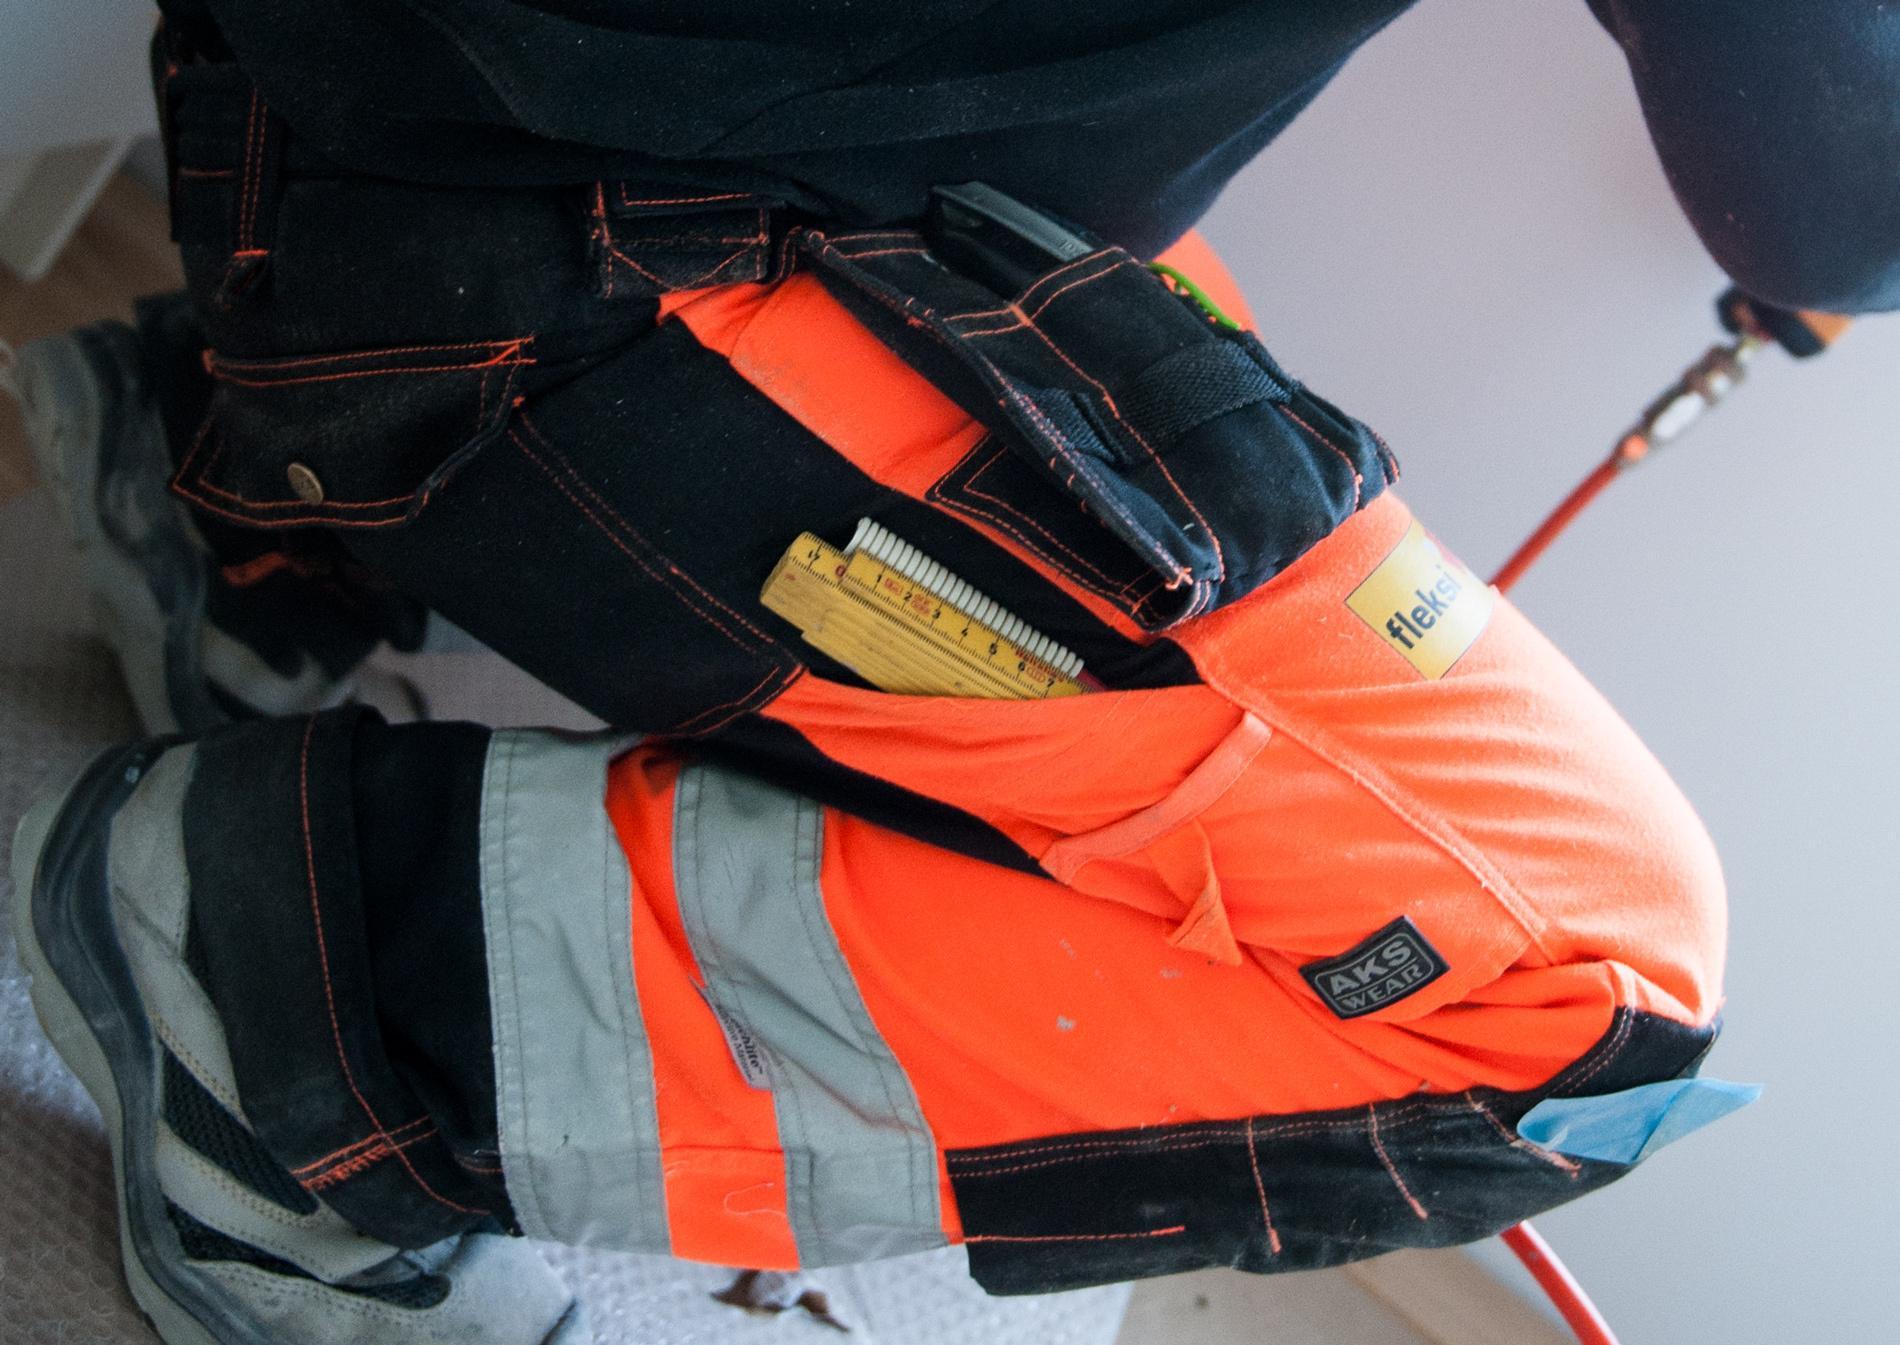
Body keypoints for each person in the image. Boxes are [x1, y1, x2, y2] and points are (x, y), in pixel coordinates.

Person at [5, 3, 1894, 1342]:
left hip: (321, 94)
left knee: (1133, 303)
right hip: (568, 251)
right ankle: (280, 1010)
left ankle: (242, 519)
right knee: (1570, 999)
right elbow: (1840, 203)